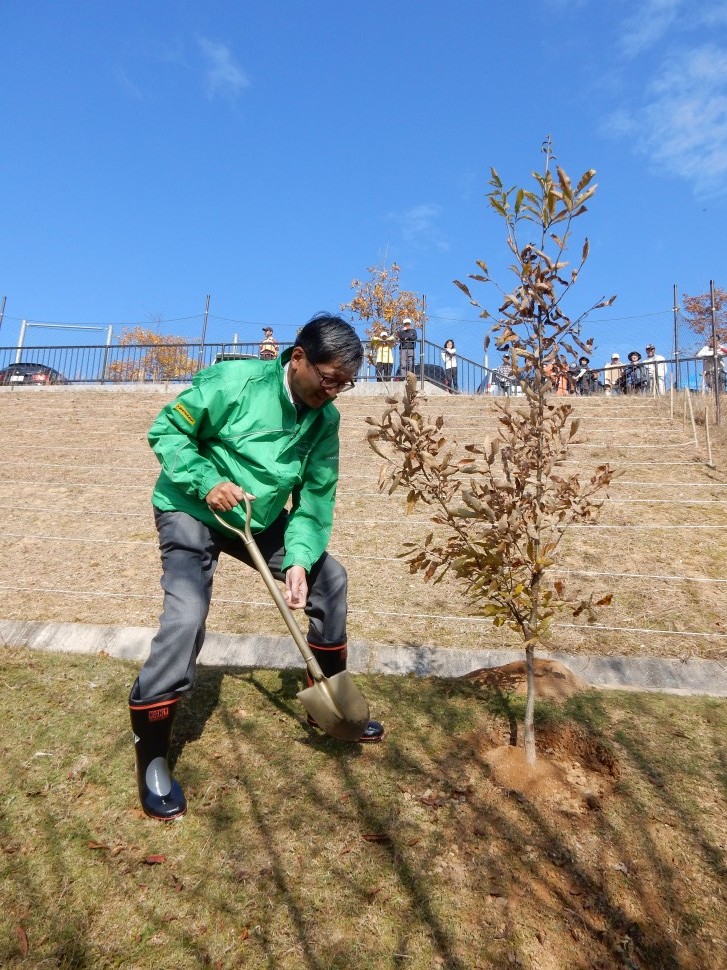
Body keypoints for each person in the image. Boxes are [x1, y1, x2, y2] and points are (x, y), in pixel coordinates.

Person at [129, 313, 384, 821]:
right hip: (192, 507)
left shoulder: (325, 420)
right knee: (185, 617)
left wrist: (299, 559)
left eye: (345, 385)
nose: (333, 393)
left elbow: (314, 500)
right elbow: (166, 432)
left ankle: (326, 697)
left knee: (329, 582)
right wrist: (207, 482)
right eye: (328, 379)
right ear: (298, 359)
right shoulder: (234, 381)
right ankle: (153, 755)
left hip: (256, 516)